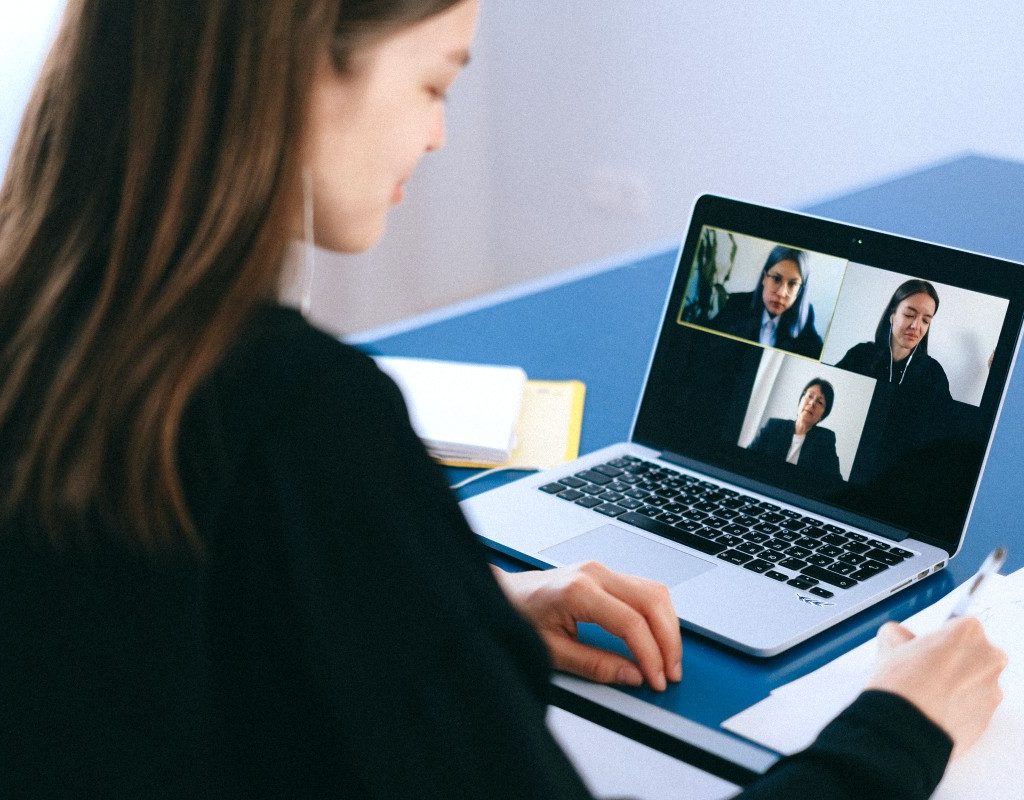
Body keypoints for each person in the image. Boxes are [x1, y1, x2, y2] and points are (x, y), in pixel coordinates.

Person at [0, 2, 1006, 798]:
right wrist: (896, 725)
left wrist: (459, 603)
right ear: (301, 61)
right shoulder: (302, 417)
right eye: (436, 80)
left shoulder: (49, 326)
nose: (439, 135)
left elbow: (173, 629)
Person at [710, 246, 824, 359]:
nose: (781, 293)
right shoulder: (737, 303)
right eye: (776, 279)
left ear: (800, 290)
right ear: (764, 278)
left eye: (792, 284)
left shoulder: (805, 316)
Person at [749, 378, 842, 486]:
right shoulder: (774, 426)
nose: (812, 403)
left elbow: (835, 481)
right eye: (809, 396)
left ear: (822, 416)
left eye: (820, 402)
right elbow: (748, 458)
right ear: (800, 400)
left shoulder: (825, 439)